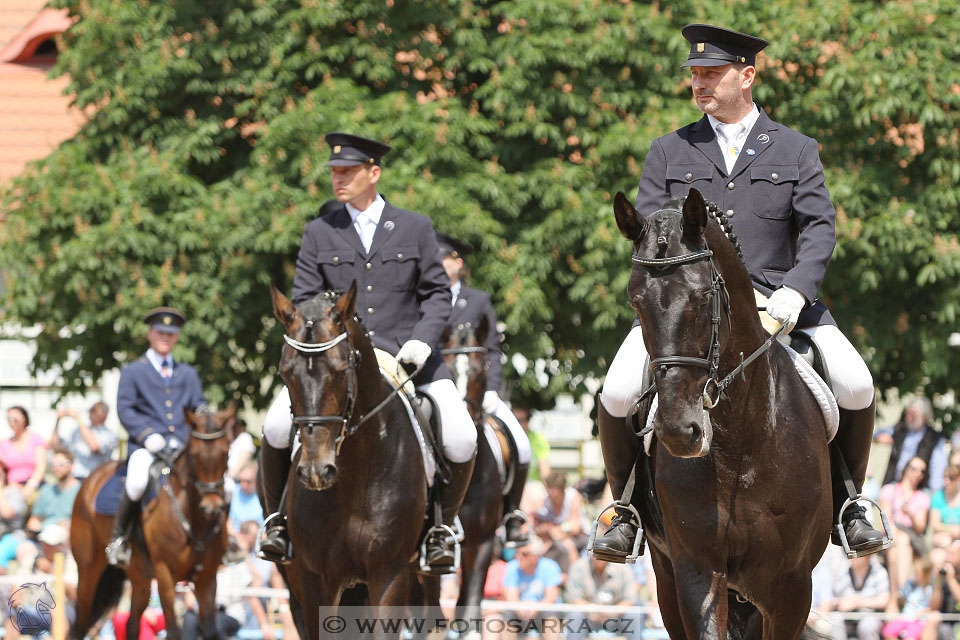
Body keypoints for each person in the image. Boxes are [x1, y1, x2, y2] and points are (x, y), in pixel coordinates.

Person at [594, 23, 884, 561]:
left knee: (856, 383)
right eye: (694, 75)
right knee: (614, 392)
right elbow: (652, 232)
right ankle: (627, 510)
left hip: (780, 303)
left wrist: (797, 289)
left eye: (711, 73)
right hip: (687, 309)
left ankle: (849, 502)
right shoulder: (668, 150)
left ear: (746, 76)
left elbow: (819, 228)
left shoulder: (796, 149)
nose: (698, 83)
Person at [259, 132, 476, 572]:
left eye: (347, 171)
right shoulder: (319, 232)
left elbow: (437, 295)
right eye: (334, 172)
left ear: (373, 173)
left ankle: (440, 528)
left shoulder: (415, 227)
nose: (338, 178)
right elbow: (304, 301)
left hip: (407, 354)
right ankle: (278, 521)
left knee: (461, 435)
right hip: (336, 363)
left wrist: (421, 339)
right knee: (275, 426)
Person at [436, 231, 532, 545]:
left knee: (519, 442)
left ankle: (511, 513)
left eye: (443, 258)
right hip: (437, 389)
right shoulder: (425, 300)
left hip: (477, 392)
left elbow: (492, 348)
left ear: (457, 263)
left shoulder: (477, 300)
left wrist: (491, 389)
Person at [105, 307, 205, 567]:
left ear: (177, 338)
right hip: (147, 446)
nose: (166, 337)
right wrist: (147, 435)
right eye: (161, 332)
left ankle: (223, 542)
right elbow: (124, 408)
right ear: (150, 334)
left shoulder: (188, 373)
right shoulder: (133, 371)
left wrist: (207, 418)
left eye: (171, 334)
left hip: (182, 446)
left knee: (218, 485)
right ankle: (119, 540)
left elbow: (198, 406)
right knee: (137, 481)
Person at [879, 456, 931, 599]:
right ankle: (900, 592)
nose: (917, 473)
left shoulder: (922, 497)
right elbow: (884, 518)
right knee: (897, 545)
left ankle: (897, 593)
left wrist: (910, 514)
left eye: (922, 471)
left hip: (911, 537)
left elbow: (920, 527)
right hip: (892, 536)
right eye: (914, 468)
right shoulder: (890, 490)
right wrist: (893, 531)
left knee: (902, 540)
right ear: (906, 469)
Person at [499, 535, 563, 639]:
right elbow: (511, 598)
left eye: (524, 554)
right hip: (519, 612)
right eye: (518, 552)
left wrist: (536, 607)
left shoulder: (549, 566)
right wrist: (521, 608)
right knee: (507, 616)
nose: (518, 556)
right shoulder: (512, 567)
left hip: (541, 612)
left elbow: (551, 597)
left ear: (535, 557)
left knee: (551, 618)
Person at [815, 554, 890, 640]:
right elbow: (832, 598)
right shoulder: (843, 571)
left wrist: (859, 603)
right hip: (846, 615)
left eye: (858, 555)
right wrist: (841, 602)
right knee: (834, 621)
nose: (853, 557)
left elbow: (883, 600)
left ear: (868, 556)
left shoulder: (879, 572)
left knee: (867, 627)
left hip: (870, 615)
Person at [565, 553, 638, 640]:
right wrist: (593, 610)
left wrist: (611, 612)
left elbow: (629, 599)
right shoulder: (578, 567)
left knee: (634, 614)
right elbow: (574, 598)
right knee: (575, 615)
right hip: (589, 616)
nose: (599, 557)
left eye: (603, 553)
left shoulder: (623, 567)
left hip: (615, 617)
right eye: (596, 553)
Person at [882, 397, 947, 493]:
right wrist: (880, 437)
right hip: (894, 486)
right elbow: (878, 433)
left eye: (913, 415)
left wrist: (934, 494)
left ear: (924, 418)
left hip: (918, 492)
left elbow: (938, 469)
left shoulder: (934, 438)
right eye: (908, 414)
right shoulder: (901, 429)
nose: (908, 418)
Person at [533, 471, 588, 574]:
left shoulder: (572, 497)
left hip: (581, 536)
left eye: (552, 489)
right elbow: (539, 526)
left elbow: (576, 526)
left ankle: (574, 576)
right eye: (548, 488)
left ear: (561, 490)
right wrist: (552, 530)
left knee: (568, 545)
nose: (549, 492)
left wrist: (557, 529)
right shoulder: (546, 500)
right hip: (556, 538)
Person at [50, 402, 118, 479]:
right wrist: (58, 420)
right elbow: (55, 445)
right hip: (75, 478)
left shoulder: (110, 435)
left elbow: (94, 446)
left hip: (96, 480)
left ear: (104, 414)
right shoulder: (77, 431)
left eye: (94, 410)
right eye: (90, 410)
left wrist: (77, 418)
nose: (91, 413)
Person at [25, 448, 80, 532]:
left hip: (70, 535)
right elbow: (34, 520)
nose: (57, 468)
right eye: (54, 464)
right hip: (44, 535)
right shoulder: (46, 490)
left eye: (61, 464)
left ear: (71, 466)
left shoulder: (81, 491)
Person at [1, 407, 47, 500]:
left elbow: (41, 468)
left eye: (15, 419)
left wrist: (30, 486)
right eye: (9, 419)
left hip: (34, 486)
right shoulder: (5, 443)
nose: (12, 423)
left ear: (24, 420)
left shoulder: (35, 439)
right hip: (12, 487)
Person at [227, 461, 263, 534]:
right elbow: (229, 524)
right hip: (237, 538)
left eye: (248, 481)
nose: (244, 485)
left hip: (258, 538)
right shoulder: (236, 492)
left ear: (256, 481)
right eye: (241, 481)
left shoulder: (262, 496)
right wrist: (239, 538)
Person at [929, 464, 960, 549]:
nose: (947, 482)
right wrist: (952, 529)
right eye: (945, 477)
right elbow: (935, 524)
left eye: (951, 478)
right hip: (943, 539)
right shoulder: (938, 496)